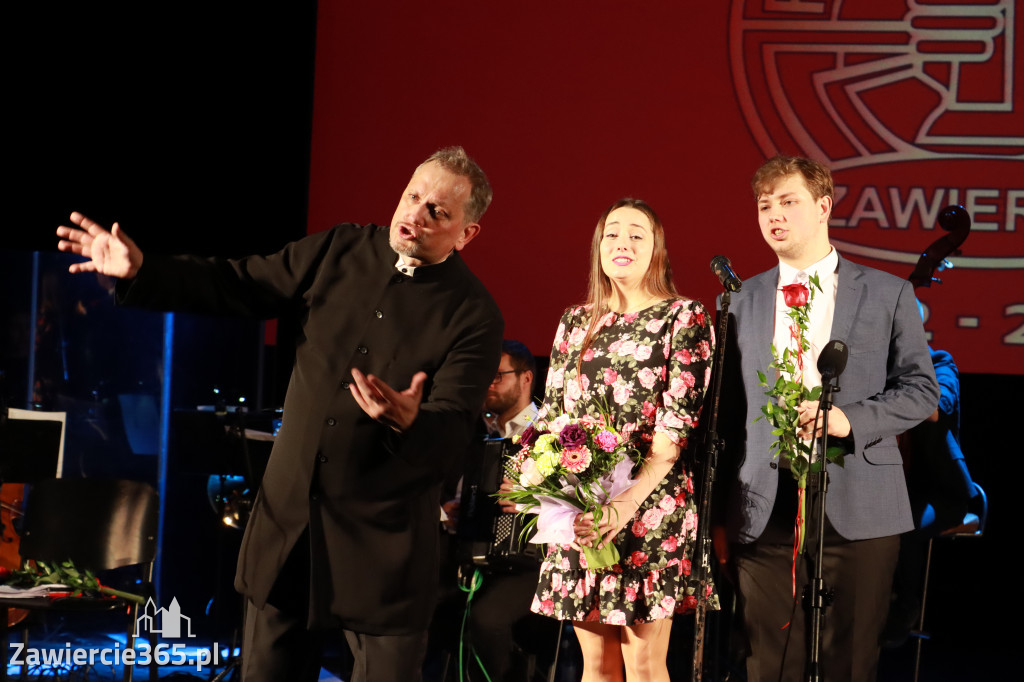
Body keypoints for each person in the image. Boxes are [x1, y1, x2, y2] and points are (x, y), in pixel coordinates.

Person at [56, 146, 504, 682]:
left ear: (467, 234)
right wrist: (144, 270)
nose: (414, 214)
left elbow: (455, 429)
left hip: (382, 553)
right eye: (413, 196)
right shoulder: (339, 248)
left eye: (438, 211)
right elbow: (239, 283)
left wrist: (412, 419)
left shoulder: (474, 313)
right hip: (288, 530)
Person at [713, 155, 940, 682]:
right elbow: (725, 414)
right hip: (764, 506)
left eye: (788, 202)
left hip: (860, 502)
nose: (774, 214)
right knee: (768, 660)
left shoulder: (887, 293)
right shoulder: (738, 301)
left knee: (851, 660)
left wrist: (849, 418)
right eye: (765, 205)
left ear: (823, 206)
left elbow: (921, 390)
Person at [527, 198, 714, 682]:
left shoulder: (683, 317)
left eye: (637, 233)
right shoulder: (575, 321)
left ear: (657, 250)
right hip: (583, 510)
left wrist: (625, 505)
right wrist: (548, 490)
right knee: (595, 663)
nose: (622, 243)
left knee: (644, 662)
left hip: (648, 508)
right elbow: (552, 420)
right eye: (612, 233)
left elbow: (675, 432)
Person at [433, 339, 550, 681]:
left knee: (485, 620)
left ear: (527, 378)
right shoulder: (472, 432)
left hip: (530, 564)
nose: (488, 384)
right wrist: (451, 511)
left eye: (497, 376)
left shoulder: (552, 436)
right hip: (466, 555)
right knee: (423, 606)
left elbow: (580, 502)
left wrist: (537, 503)